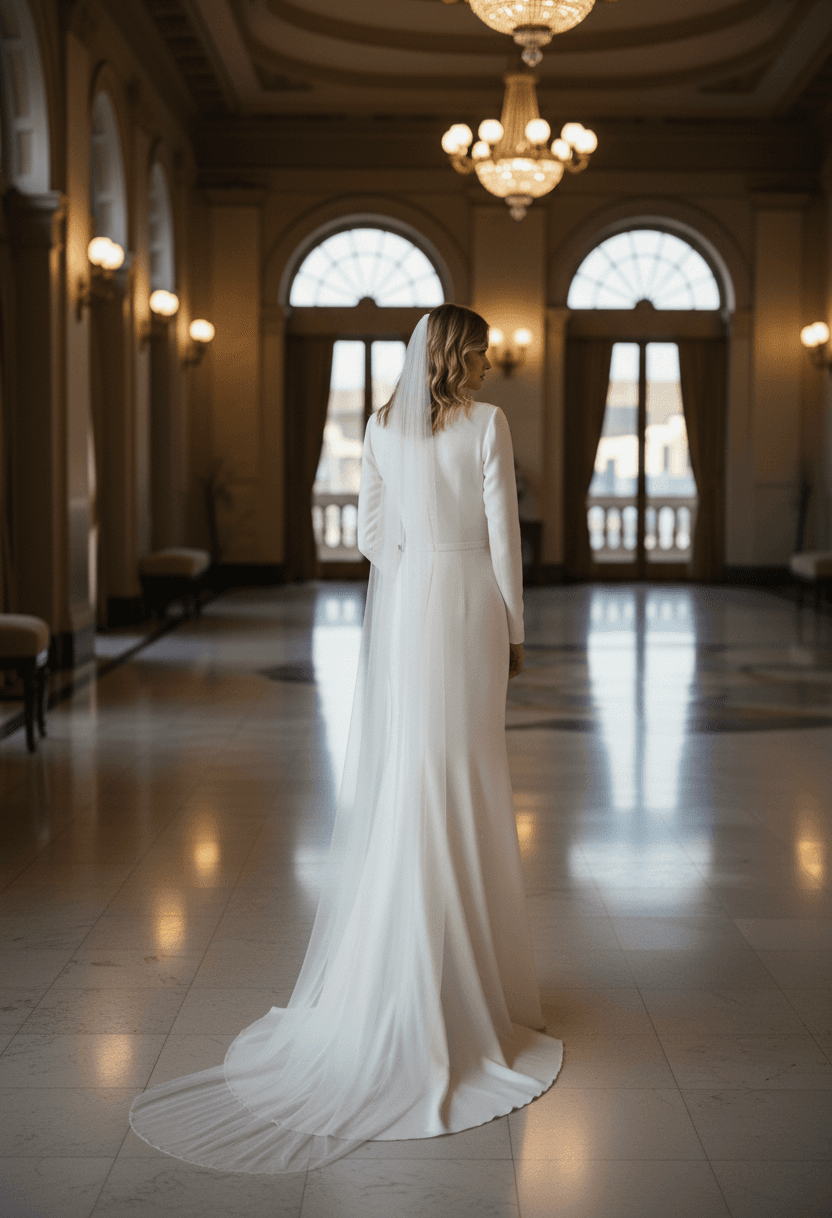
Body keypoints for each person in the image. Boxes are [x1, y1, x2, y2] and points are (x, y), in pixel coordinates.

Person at [129, 303, 562, 1174]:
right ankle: (460, 974)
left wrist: (413, 578)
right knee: (465, 772)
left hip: (410, 608)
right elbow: (503, 538)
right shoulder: (487, 424)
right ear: (458, 356)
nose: (487, 365)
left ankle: (399, 965)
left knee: (410, 776)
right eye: (479, 352)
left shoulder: (381, 425)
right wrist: (514, 629)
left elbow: (368, 535)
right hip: (472, 606)